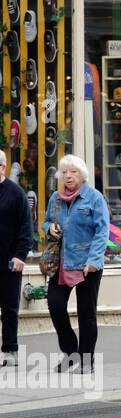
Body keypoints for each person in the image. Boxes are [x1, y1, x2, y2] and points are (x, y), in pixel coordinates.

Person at [42, 155, 108, 372]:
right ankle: (71, 353)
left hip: (87, 264)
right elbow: (45, 221)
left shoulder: (94, 198)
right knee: (55, 304)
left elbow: (102, 231)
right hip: (61, 262)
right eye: (64, 172)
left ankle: (87, 360)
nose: (68, 176)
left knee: (86, 313)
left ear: (82, 175)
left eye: (73, 172)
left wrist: (94, 260)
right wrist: (49, 227)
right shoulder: (56, 198)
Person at [0, 148, 31, 367]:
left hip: (9, 262)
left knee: (9, 308)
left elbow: (26, 229)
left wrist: (20, 255)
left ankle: (10, 350)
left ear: (2, 167)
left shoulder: (16, 193)